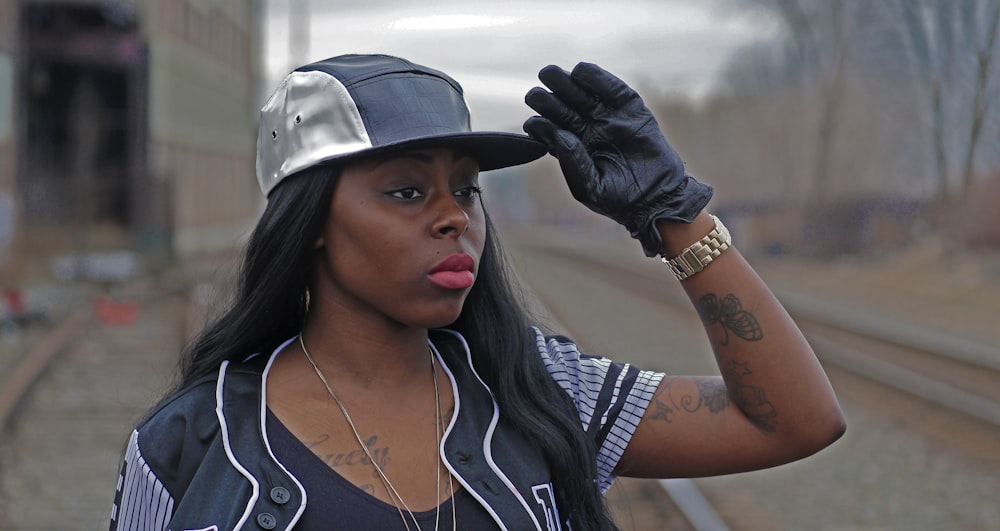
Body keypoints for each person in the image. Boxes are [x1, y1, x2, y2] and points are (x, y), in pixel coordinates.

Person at [109, 54, 845, 531]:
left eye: (465, 188)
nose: (454, 216)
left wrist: (676, 213)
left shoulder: (542, 392)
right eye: (406, 191)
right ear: (311, 225)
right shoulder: (187, 445)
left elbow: (795, 419)